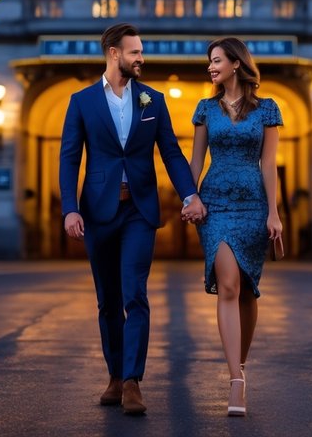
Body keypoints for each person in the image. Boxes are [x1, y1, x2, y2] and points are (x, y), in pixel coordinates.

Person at [59, 23, 205, 417]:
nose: (141, 58)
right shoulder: (82, 101)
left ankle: (132, 381)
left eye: (141, 51)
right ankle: (114, 375)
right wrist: (70, 208)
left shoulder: (153, 101)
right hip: (98, 212)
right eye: (135, 52)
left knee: (135, 294)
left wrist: (190, 194)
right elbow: (70, 157)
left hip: (140, 211)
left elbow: (171, 153)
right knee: (107, 300)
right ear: (113, 53)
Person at [189, 37, 283, 417]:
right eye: (210, 62)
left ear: (235, 64)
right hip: (215, 205)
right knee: (228, 284)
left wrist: (274, 213)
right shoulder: (205, 109)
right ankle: (236, 381)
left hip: (254, 206)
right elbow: (194, 161)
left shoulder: (267, 109)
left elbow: (269, 165)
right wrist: (188, 197)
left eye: (216, 60)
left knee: (247, 290)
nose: (210, 67)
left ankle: (240, 364)